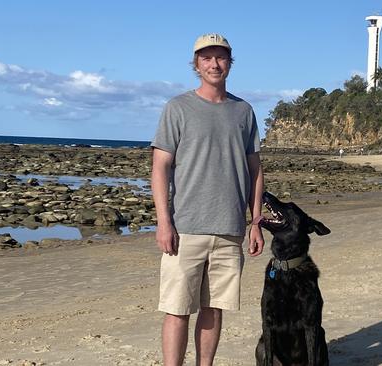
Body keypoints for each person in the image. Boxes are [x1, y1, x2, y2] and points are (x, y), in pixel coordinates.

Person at [150, 33, 265, 366]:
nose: (215, 64)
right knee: (177, 310)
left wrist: (255, 222)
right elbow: (160, 167)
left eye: (221, 57)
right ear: (196, 64)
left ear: (230, 63)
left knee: (214, 310)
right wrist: (163, 221)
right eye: (207, 58)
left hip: (229, 230)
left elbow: (255, 170)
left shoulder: (244, 111)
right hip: (185, 229)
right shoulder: (178, 107)